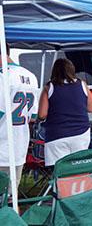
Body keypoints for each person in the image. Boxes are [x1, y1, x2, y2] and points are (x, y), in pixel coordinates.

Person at [38, 59, 92, 167]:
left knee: (59, 169)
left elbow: (42, 114)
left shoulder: (49, 87)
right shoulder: (82, 84)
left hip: (56, 134)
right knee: (77, 169)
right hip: (81, 133)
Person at [0, 46, 39, 190]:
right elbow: (33, 117)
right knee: (10, 198)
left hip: (2, 147)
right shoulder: (30, 76)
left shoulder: (3, 76)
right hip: (19, 146)